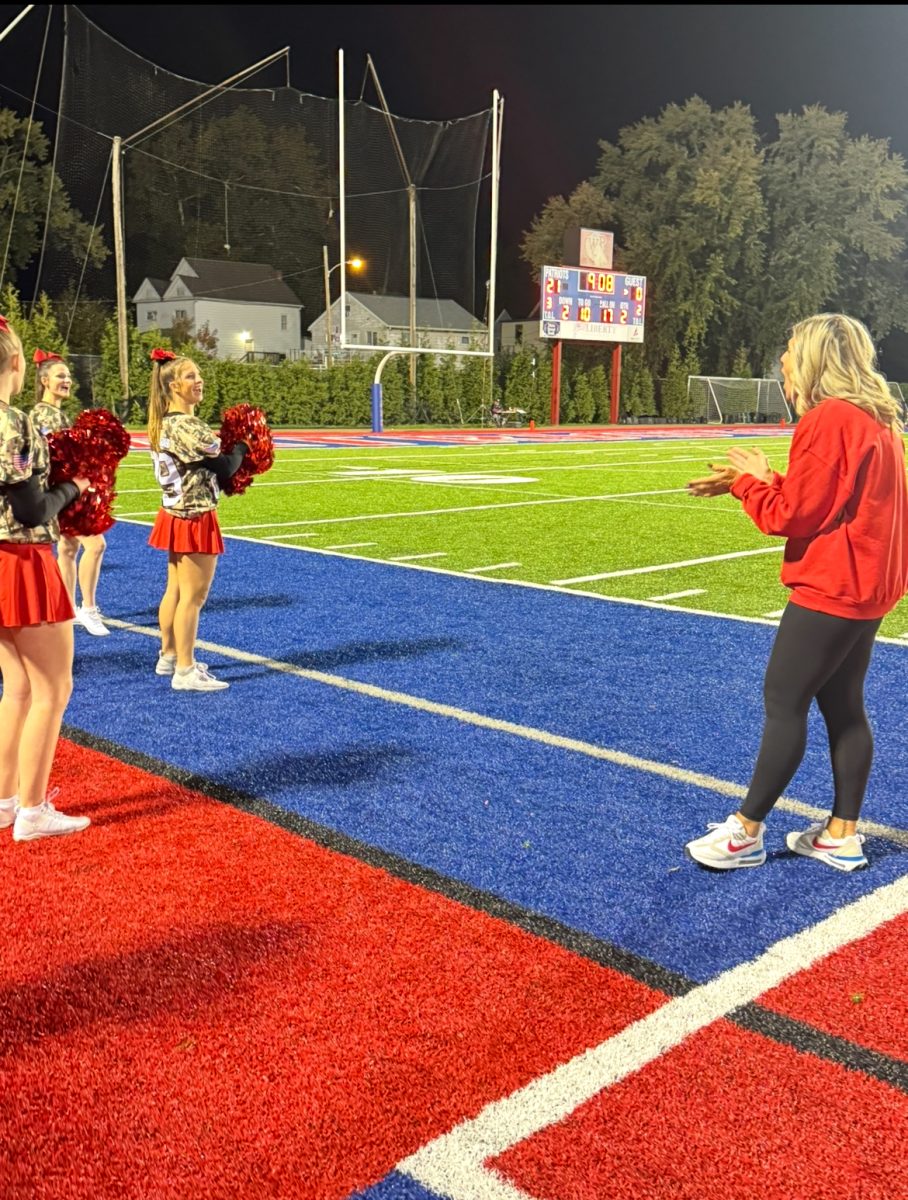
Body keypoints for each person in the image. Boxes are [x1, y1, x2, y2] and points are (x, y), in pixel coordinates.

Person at [685, 313, 908, 872]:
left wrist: (749, 483)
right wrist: (758, 479)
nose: (783, 357)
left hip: (833, 588)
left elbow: (793, 516)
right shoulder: (876, 419)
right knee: (844, 706)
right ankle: (840, 833)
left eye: (788, 348)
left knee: (784, 704)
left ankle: (746, 832)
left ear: (811, 356)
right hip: (868, 590)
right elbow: (834, 502)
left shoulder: (830, 417)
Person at [0, 316, 92, 841]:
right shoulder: (13, 421)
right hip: (22, 559)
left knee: (15, 687)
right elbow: (33, 510)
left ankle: (5, 800)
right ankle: (33, 810)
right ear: (17, 364)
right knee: (53, 689)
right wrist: (75, 487)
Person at [146, 350, 246, 692]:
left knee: (175, 590)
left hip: (173, 513)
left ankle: (170, 654)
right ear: (174, 385)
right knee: (193, 597)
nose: (198, 380)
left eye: (198, 374)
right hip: (194, 515)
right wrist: (245, 446)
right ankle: (185, 671)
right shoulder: (187, 425)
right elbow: (226, 467)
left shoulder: (162, 422)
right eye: (190, 376)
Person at [30, 349, 110, 637]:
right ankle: (88, 608)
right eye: (60, 376)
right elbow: (55, 459)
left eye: (68, 375)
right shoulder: (42, 414)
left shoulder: (56, 414)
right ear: (44, 381)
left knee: (68, 548)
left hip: (63, 494)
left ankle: (66, 607)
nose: (67, 380)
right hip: (61, 494)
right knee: (96, 545)